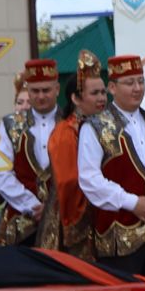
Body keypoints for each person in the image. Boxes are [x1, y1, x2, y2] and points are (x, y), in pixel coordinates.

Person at [78, 54, 145, 279]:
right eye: (129, 83)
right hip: (118, 236)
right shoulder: (95, 127)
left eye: (141, 81)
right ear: (112, 88)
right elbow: (89, 179)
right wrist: (130, 202)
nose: (137, 88)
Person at [0, 57, 61, 247]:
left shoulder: (72, 124)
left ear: (57, 89)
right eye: (35, 91)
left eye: (46, 90)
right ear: (27, 91)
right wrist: (32, 205)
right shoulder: (10, 125)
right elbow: (0, 172)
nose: (40, 96)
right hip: (20, 223)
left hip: (63, 224)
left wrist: (54, 208)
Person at [48, 51, 107, 259]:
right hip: (78, 219)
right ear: (75, 98)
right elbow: (68, 181)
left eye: (103, 92)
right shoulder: (66, 132)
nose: (101, 98)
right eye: (94, 93)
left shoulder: (102, 126)